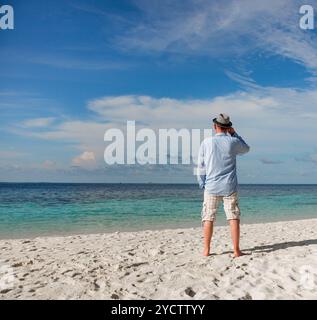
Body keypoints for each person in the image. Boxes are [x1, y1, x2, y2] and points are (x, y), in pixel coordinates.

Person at [197, 113, 250, 257]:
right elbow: (246, 149)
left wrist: (202, 183)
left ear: (215, 126)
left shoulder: (206, 142)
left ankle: (206, 250)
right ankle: (236, 250)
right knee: (233, 216)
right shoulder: (233, 142)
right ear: (228, 128)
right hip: (229, 186)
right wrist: (235, 134)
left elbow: (201, 166)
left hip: (211, 186)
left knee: (208, 217)